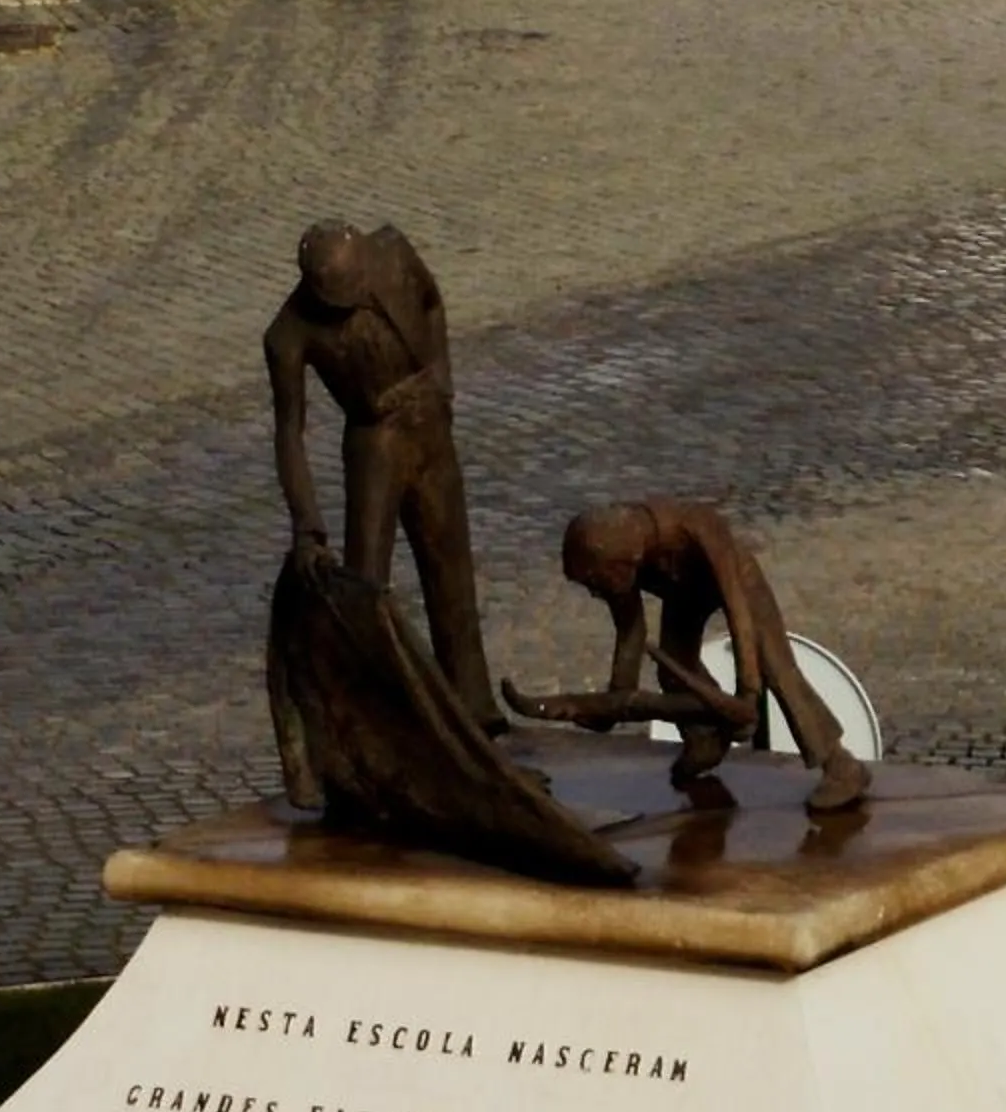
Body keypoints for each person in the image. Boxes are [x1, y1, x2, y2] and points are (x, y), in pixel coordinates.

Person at [264, 222, 504, 768]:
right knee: (365, 589)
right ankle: (372, 728)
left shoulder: (393, 251)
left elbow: (432, 301)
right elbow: (289, 433)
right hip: (374, 440)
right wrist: (307, 524)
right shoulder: (288, 335)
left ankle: (476, 713)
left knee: (452, 575)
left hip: (428, 422)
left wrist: (441, 375)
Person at [510, 498, 871, 815]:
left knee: (779, 671)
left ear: (622, 563)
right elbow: (631, 631)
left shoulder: (693, 527)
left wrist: (748, 687)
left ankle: (839, 764)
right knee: (674, 670)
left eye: (595, 584)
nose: (594, 593)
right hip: (683, 593)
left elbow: (737, 607)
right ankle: (705, 740)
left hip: (737, 584)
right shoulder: (619, 555)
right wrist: (615, 700)